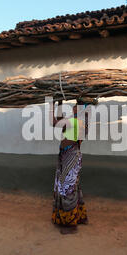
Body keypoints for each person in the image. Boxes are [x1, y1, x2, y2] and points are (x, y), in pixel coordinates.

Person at [50, 98, 89, 234]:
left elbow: (54, 122)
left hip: (70, 157)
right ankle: (77, 218)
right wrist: (59, 103)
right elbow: (60, 120)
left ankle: (70, 225)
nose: (73, 108)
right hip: (70, 156)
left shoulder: (76, 122)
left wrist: (51, 103)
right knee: (70, 187)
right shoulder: (80, 122)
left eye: (76, 106)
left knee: (67, 189)